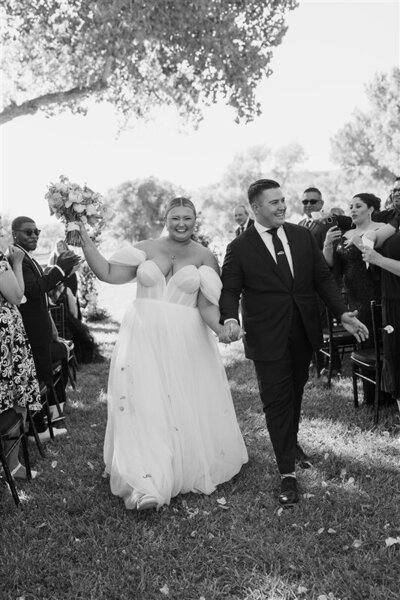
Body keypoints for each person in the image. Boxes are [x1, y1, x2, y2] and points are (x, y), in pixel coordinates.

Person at [78, 197, 248, 511]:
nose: (181, 224)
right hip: (143, 335)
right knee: (143, 403)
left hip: (185, 339)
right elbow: (108, 273)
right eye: (175, 218)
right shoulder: (147, 247)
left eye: (187, 218)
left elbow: (207, 305)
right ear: (165, 218)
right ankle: (146, 483)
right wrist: (85, 241)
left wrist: (222, 329)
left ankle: (177, 463)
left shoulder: (205, 256)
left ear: (195, 220)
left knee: (178, 402)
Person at [219, 179, 369, 507]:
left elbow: (322, 279)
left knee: (295, 391)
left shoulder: (301, 236)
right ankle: (287, 472)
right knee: (275, 400)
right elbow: (229, 290)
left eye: (282, 200)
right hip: (266, 334)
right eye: (273, 203)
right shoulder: (240, 247)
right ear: (256, 208)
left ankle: (292, 443)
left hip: (303, 329)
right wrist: (230, 318)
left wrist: (342, 313)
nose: (281, 206)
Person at [11, 216, 80, 441]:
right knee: (38, 378)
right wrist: (59, 268)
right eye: (28, 232)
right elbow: (33, 290)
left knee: (42, 375)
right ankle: (36, 430)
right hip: (30, 329)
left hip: (40, 327)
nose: (34, 236)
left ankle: (42, 424)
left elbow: (42, 290)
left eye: (36, 231)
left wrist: (64, 272)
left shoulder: (27, 258)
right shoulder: (15, 260)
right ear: (14, 234)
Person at [0, 244, 41, 479]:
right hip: (7, 344)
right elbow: (17, 296)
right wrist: (16, 263)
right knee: (17, 397)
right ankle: (12, 465)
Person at [361, 221, 400, 414]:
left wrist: (379, 260)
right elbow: (371, 236)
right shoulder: (396, 220)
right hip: (393, 303)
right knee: (397, 362)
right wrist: (370, 237)